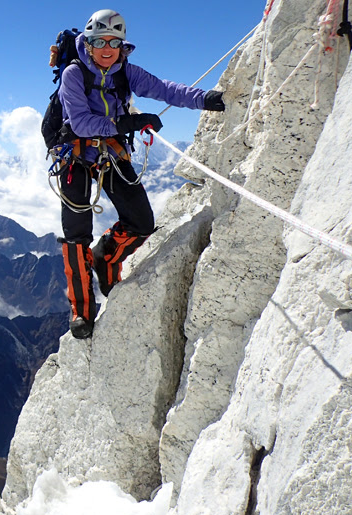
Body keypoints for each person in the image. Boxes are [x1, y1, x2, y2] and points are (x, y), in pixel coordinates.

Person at [56, 9, 225, 339]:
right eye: (99, 42)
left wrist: (205, 99)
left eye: (114, 42)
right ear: (88, 44)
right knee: (76, 234)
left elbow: (165, 89)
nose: (107, 48)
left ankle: (106, 258)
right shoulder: (73, 74)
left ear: (122, 45)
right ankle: (81, 310)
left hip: (110, 152)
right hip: (74, 154)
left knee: (142, 223)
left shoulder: (126, 72)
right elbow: (81, 123)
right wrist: (128, 122)